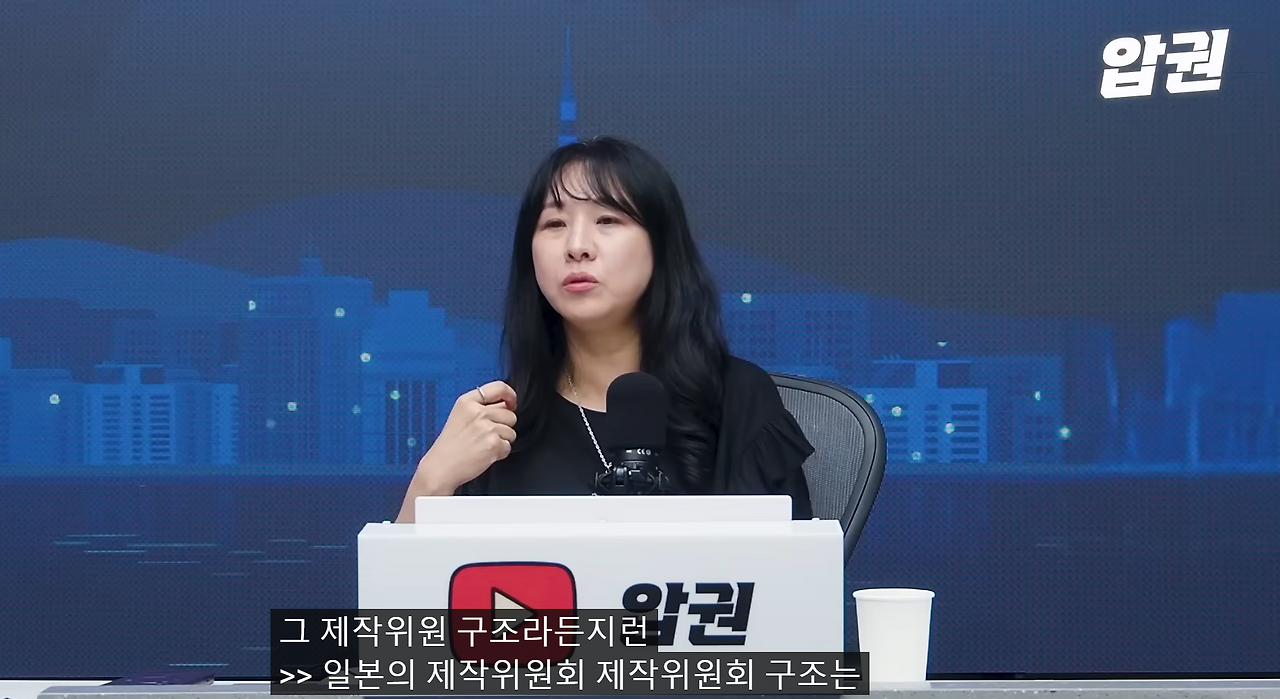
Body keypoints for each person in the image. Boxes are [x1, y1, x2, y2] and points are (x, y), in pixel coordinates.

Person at [396, 136, 814, 522]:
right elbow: (405, 581)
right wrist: (433, 480)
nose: (577, 246)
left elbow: (790, 571)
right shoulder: (499, 427)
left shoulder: (737, 401)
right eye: (554, 224)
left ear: (661, 246)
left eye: (608, 220)